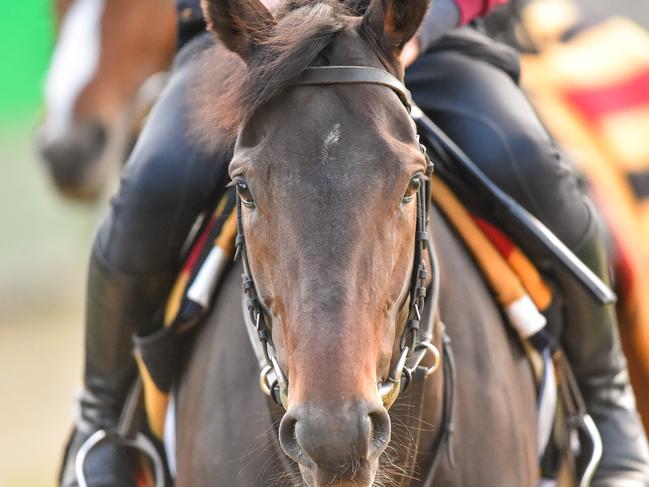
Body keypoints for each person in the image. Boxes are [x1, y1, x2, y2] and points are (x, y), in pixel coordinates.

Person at [59, 0, 649, 485]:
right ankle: (102, 424)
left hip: (412, 41)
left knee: (531, 164)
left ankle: (607, 407)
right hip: (248, 47)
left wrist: (430, 18)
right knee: (154, 184)